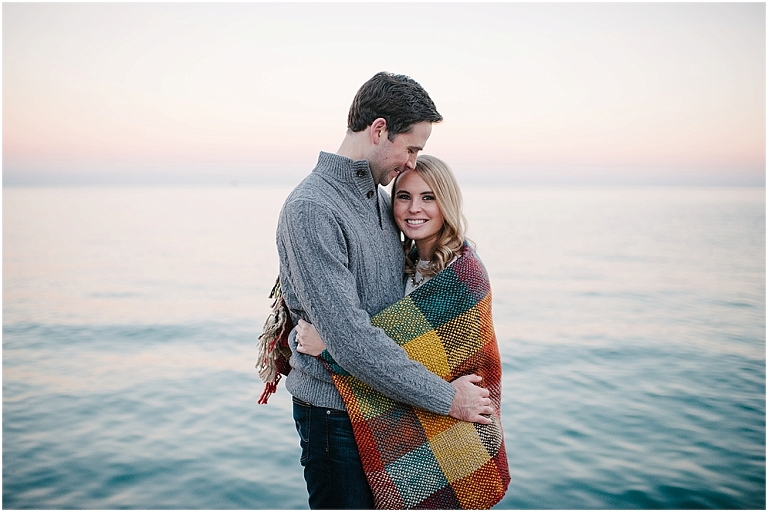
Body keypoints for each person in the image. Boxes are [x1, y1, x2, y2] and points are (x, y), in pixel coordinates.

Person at [274, 72, 493, 510]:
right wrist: (449, 398)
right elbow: (353, 340)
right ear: (378, 130)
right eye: (411, 148)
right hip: (335, 417)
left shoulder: (378, 198)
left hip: (385, 406)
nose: (412, 163)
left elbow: (398, 308)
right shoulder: (312, 208)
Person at [295, 155, 511, 509]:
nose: (414, 208)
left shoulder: (464, 273)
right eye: (403, 196)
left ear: (447, 203)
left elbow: (430, 362)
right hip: (412, 418)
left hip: (447, 429)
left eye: (428, 197)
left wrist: (329, 345)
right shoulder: (403, 261)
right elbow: (392, 351)